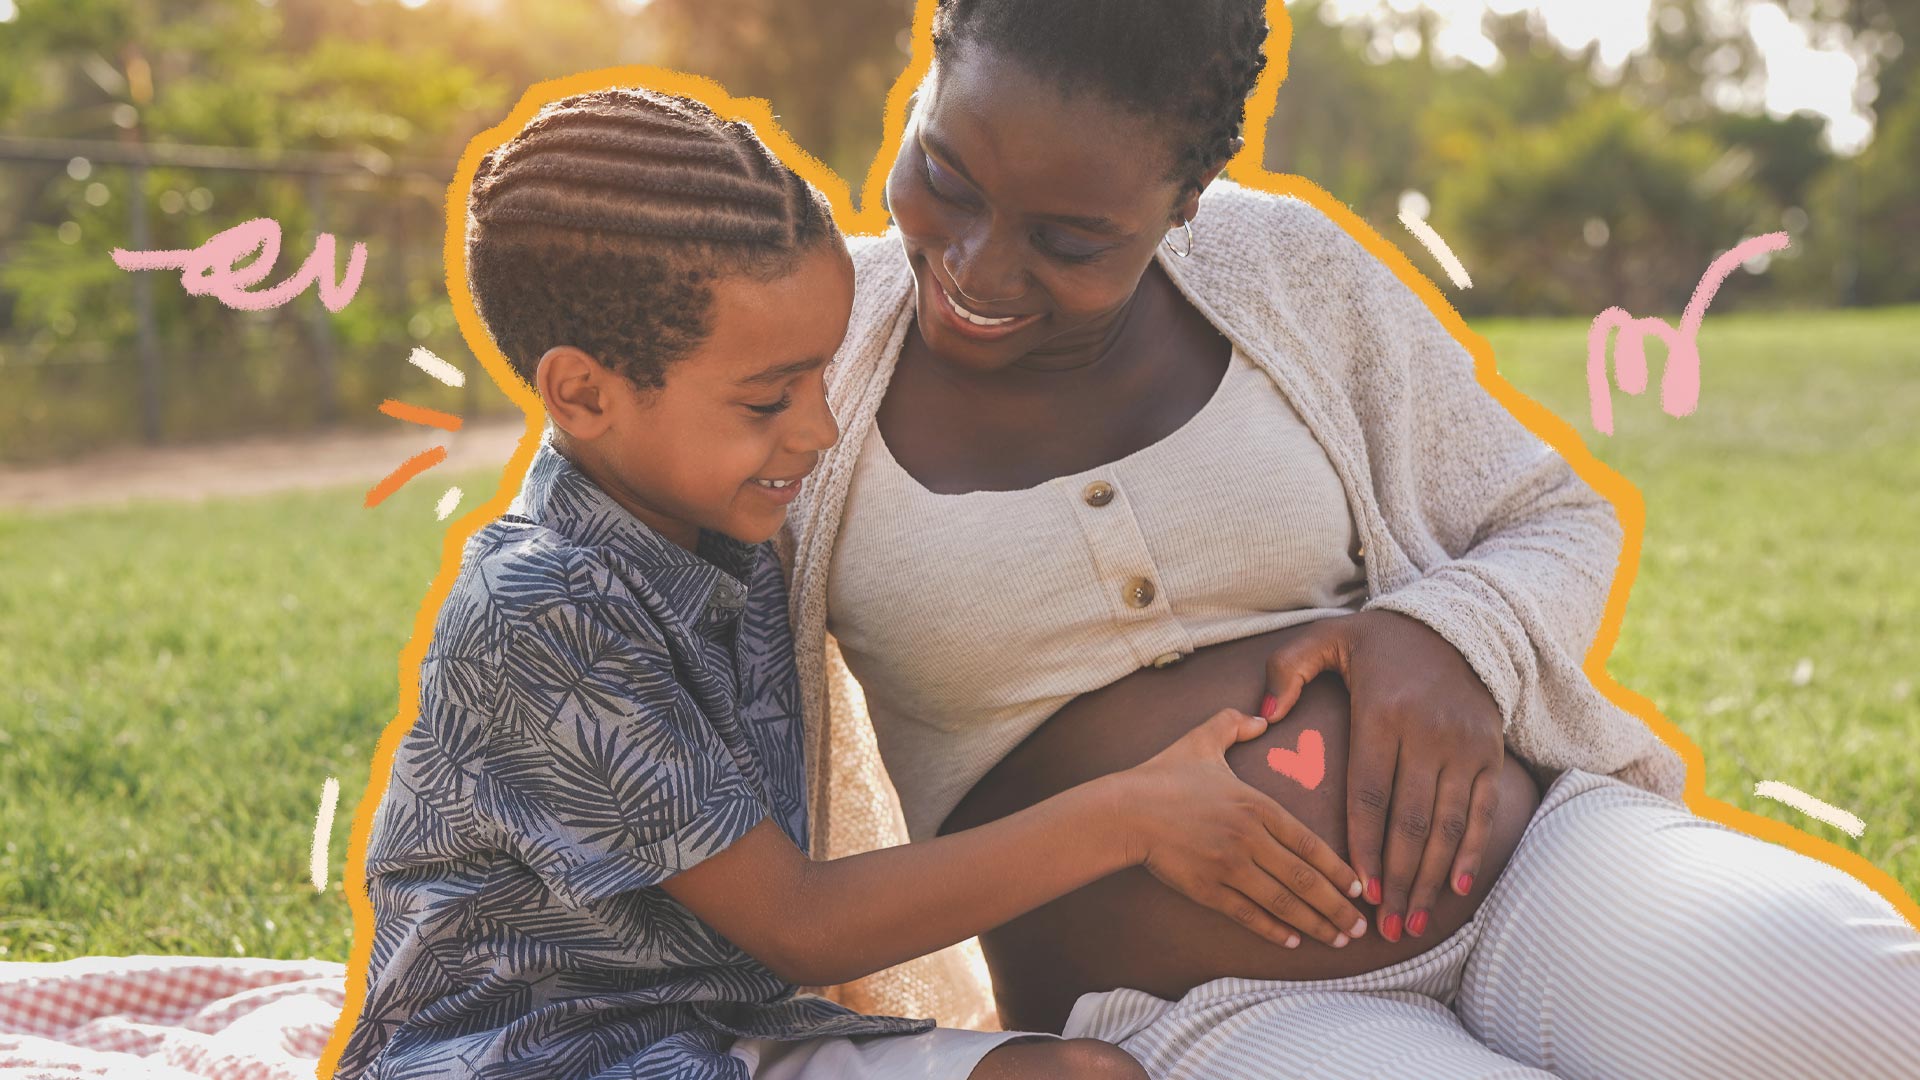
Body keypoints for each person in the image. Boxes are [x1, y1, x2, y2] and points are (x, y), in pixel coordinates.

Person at [784, 2, 1920, 1076]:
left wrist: (1447, 634)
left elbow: (1548, 515)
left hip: (1536, 873)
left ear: (1187, 196)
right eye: (945, 177)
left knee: (1869, 1011)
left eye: (1071, 239)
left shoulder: (1281, 266)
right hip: (1200, 1013)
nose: (980, 265)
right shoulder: (799, 357)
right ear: (925, 81)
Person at [329, 85, 1375, 1080]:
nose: (820, 428)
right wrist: (1135, 814)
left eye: (822, 374)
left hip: (721, 1036)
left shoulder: (717, 527)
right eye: (766, 399)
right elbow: (802, 924)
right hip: (531, 1056)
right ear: (584, 393)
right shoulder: (542, 608)